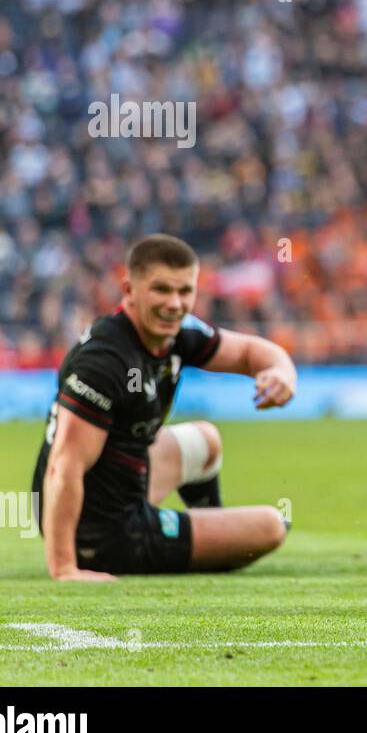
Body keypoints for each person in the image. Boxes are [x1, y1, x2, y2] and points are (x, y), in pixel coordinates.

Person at [33, 234, 296, 580]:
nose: (174, 303)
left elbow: (250, 353)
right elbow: (63, 466)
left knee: (205, 440)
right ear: (129, 290)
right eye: (161, 290)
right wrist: (65, 567)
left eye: (185, 291)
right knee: (270, 526)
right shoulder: (106, 360)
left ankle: (204, 533)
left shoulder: (177, 332)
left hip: (124, 486)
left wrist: (282, 372)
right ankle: (189, 543)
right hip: (101, 530)